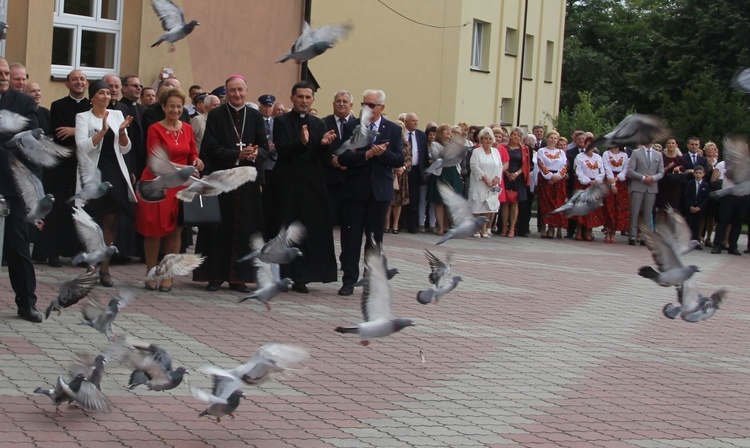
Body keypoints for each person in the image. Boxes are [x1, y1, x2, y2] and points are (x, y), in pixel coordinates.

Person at [192, 75, 268, 292]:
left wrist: (254, 154)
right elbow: (210, 148)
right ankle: (214, 276)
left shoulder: (255, 116)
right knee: (218, 227)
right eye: (232, 90)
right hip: (222, 179)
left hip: (247, 182)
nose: (237, 94)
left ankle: (239, 278)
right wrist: (237, 155)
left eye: (240, 90)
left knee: (245, 229)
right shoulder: (216, 115)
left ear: (246, 91)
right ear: (226, 92)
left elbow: (265, 147)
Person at [268, 81, 337, 293]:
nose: (304, 101)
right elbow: (283, 150)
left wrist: (324, 145)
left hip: (311, 186)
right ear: (292, 98)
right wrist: (302, 142)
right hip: (287, 184)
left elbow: (321, 158)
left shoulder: (319, 124)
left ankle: (303, 277)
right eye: (300, 97)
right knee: (286, 229)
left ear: (313, 100)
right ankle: (283, 276)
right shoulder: (281, 122)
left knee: (308, 231)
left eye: (308, 97)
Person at [337, 89, 404, 296]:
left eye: (371, 105)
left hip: (380, 192)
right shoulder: (351, 126)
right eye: (364, 104)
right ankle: (348, 280)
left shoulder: (392, 129)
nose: (367, 108)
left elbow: (399, 159)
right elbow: (343, 157)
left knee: (375, 239)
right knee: (351, 238)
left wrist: (381, 154)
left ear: (382, 108)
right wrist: (366, 154)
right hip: (355, 190)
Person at [136, 88, 204, 291]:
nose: (175, 110)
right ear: (163, 107)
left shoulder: (187, 128)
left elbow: (192, 152)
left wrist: (197, 161)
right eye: (171, 106)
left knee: (176, 230)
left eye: (178, 106)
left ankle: (167, 274)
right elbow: (157, 161)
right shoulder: (155, 129)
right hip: (159, 184)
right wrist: (187, 168)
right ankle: (151, 272)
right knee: (153, 231)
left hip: (180, 186)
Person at [75, 80, 134, 287]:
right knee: (91, 220)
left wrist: (122, 132)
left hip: (114, 172)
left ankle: (105, 269)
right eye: (101, 93)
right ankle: (91, 263)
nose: (106, 96)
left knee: (110, 220)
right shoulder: (83, 117)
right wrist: (101, 132)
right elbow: (82, 147)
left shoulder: (117, 115)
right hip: (93, 174)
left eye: (108, 93)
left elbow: (125, 149)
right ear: (92, 97)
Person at [0, 57, 42, 322]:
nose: (4, 76)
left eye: (6, 72)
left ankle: (27, 303)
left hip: (14, 185)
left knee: (18, 245)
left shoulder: (24, 103)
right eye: (0, 73)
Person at [35, 69, 90, 267]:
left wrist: (75, 130)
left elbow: (95, 132)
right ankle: (53, 253)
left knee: (81, 210)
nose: (79, 82)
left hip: (84, 166)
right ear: (67, 84)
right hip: (63, 166)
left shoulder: (92, 106)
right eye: (74, 79)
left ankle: (80, 253)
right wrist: (83, 133)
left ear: (87, 84)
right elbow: (60, 134)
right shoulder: (57, 105)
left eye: (82, 79)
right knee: (58, 210)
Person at [322, 90, 354, 226]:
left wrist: (347, 162)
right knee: (326, 220)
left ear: (351, 105)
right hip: (329, 180)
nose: (341, 104)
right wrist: (332, 161)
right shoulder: (322, 123)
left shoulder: (359, 126)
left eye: (345, 101)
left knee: (350, 223)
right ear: (333, 104)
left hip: (351, 180)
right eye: (338, 101)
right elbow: (317, 148)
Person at [425, 124, 463, 236]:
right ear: (441, 132)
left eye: (450, 130)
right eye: (446, 130)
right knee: (439, 201)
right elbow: (439, 158)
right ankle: (440, 227)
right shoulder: (435, 144)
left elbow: (458, 159)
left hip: (453, 173)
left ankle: (447, 226)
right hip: (441, 174)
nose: (449, 132)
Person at [627, 141, 664, 245]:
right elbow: (630, 170)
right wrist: (643, 178)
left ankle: (645, 236)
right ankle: (632, 236)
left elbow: (661, 172)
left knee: (648, 214)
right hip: (638, 186)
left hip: (651, 187)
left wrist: (653, 178)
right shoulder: (636, 152)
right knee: (635, 212)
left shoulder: (658, 154)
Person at [468, 127, 503, 238]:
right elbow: (474, 166)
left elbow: (500, 165)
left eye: (490, 138)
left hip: (492, 184)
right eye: (485, 138)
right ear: (481, 140)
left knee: (488, 206)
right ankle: (476, 229)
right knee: (478, 206)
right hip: (480, 183)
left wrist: (497, 178)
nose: (488, 141)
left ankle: (484, 229)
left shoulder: (496, 151)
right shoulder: (476, 152)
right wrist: (485, 179)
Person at [536, 131, 568, 239]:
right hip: (545, 179)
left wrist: (557, 177)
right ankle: (543, 227)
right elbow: (540, 164)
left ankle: (551, 227)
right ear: (547, 138)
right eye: (551, 137)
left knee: (556, 203)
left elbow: (564, 166)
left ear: (557, 140)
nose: (553, 140)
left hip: (558, 180)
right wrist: (549, 176)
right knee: (545, 204)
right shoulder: (542, 151)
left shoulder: (561, 152)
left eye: (555, 138)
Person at [499, 128, 530, 238]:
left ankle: (512, 227)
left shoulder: (524, 149)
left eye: (518, 135)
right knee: (505, 203)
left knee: (515, 203)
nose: (516, 137)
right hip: (505, 175)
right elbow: (500, 161)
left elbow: (525, 164)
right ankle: (504, 227)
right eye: (514, 134)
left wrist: (516, 174)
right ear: (510, 136)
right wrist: (507, 173)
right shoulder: (503, 147)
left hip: (518, 178)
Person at [573, 141, 605, 241]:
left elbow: (602, 171)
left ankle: (588, 231)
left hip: (595, 184)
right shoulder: (579, 157)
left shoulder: (598, 157)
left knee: (591, 209)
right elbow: (578, 170)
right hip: (583, 184)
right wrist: (587, 181)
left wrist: (597, 180)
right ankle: (578, 231)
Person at [385, 123, 411, 234]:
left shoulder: (406, 144)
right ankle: (387, 223)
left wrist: (403, 167)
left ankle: (395, 224)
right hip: (390, 173)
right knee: (388, 200)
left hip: (401, 176)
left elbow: (409, 159)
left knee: (398, 201)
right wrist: (393, 166)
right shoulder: (388, 141)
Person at [602, 145, 630, 243]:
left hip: (620, 181)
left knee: (619, 207)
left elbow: (625, 169)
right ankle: (608, 231)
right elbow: (606, 167)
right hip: (609, 179)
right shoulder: (606, 154)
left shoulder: (624, 155)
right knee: (608, 206)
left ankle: (613, 232)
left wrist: (617, 179)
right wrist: (612, 183)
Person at [655, 137, 685, 212]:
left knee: (673, 209)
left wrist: (678, 170)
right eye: (669, 143)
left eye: (673, 143)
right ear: (666, 145)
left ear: (676, 145)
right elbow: (657, 171)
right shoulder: (661, 156)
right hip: (663, 185)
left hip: (675, 187)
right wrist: (668, 167)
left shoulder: (679, 158)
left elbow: (683, 171)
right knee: (662, 208)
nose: (671, 145)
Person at [683, 165, 709, 246]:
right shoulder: (690, 183)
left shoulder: (705, 185)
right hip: (690, 208)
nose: (698, 175)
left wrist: (699, 207)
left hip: (699, 209)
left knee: (697, 225)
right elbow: (686, 196)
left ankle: (695, 241)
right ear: (693, 174)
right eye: (696, 173)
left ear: (703, 174)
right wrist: (690, 206)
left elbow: (706, 198)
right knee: (689, 224)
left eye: (700, 173)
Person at [701, 141, 720, 247]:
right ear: (705, 150)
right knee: (703, 215)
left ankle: (708, 237)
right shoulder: (702, 161)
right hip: (704, 188)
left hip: (714, 190)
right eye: (708, 148)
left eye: (713, 148)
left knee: (711, 215)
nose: (710, 150)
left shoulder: (718, 162)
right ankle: (700, 236)